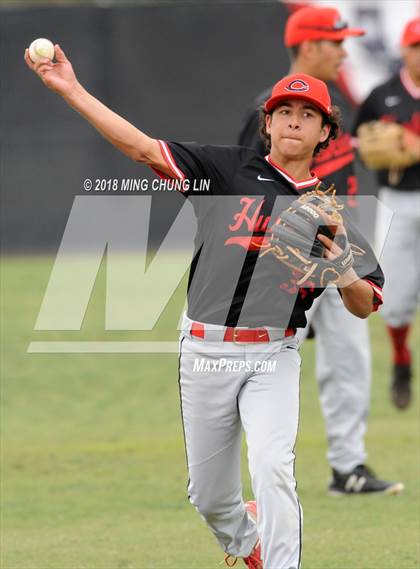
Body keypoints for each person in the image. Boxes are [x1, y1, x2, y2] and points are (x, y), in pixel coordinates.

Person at [26, 42, 384, 569]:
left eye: (308, 115)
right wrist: (71, 90)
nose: (293, 121)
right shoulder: (225, 173)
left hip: (273, 355)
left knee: (273, 469)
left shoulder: (331, 216)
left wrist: (342, 268)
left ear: (325, 132)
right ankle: (247, 544)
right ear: (268, 123)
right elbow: (144, 150)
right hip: (204, 350)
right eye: (284, 111)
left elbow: (364, 304)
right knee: (211, 499)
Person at [238, 5, 404, 496]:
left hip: (341, 251)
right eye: (336, 42)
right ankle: (259, 474)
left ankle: (348, 468)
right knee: (266, 364)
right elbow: (246, 189)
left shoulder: (335, 108)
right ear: (309, 47)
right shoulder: (266, 113)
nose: (344, 50)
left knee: (350, 358)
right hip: (287, 261)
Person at [353, 17, 420, 410]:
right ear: (404, 50)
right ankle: (400, 360)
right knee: (393, 298)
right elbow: (354, 139)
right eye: (415, 46)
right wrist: (372, 147)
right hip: (396, 200)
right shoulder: (383, 94)